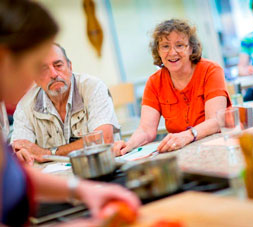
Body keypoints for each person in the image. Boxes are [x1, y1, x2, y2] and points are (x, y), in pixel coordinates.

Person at [0, 0, 139, 226]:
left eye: (58, 65)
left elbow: (13, 176)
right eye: (36, 65)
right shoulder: (25, 102)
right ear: (5, 58)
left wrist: (82, 190)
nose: (38, 78)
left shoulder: (90, 86)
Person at [114, 19, 231, 156]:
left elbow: (216, 121)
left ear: (191, 48)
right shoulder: (154, 82)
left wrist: (188, 135)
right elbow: (146, 130)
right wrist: (128, 145)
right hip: (183, 152)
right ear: (158, 51)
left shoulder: (211, 70)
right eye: (165, 46)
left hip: (220, 146)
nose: (172, 52)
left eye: (179, 45)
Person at [11, 43, 120, 164]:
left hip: (100, 168)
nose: (53, 74)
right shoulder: (25, 106)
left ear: (70, 66)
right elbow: (20, 148)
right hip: (55, 178)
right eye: (43, 69)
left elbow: (103, 139)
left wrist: (48, 153)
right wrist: (22, 154)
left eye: (58, 65)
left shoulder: (93, 87)